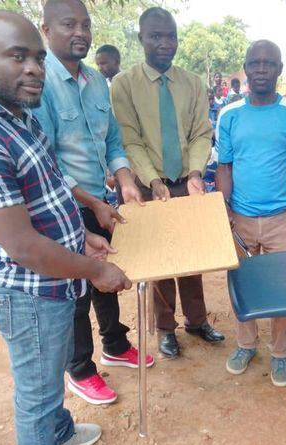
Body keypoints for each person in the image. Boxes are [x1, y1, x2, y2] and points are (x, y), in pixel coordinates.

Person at [0, 10, 132, 445]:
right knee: (38, 398)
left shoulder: (18, 118)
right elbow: (24, 246)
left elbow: (51, 186)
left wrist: (82, 234)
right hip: (26, 292)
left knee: (48, 381)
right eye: (17, 56)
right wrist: (96, 270)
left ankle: (59, 433)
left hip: (49, 283)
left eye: (38, 58)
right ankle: (48, 433)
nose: (33, 69)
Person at [33, 0, 151, 407]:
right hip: (61, 206)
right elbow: (44, 161)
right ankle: (80, 370)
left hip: (99, 199)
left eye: (85, 24)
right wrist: (90, 202)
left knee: (108, 275)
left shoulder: (97, 81)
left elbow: (113, 140)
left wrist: (125, 181)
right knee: (76, 290)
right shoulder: (39, 83)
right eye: (69, 24)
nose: (80, 32)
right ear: (46, 30)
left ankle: (115, 345)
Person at [112, 6, 224, 358]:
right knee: (160, 262)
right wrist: (153, 180)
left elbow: (201, 133)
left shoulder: (192, 83)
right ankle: (165, 329)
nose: (165, 43)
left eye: (171, 36)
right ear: (141, 38)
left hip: (187, 182)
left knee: (192, 256)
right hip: (145, 186)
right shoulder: (124, 84)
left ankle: (197, 321)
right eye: (156, 36)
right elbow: (130, 139)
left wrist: (195, 173)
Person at [215, 39, 286, 388]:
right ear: (245, 68)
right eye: (254, 63)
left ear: (279, 69)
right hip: (239, 218)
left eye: (268, 63)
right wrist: (224, 208)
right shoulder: (229, 115)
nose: (260, 69)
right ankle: (246, 344)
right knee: (242, 284)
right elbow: (224, 168)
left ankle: (280, 352)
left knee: (282, 288)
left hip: (282, 218)